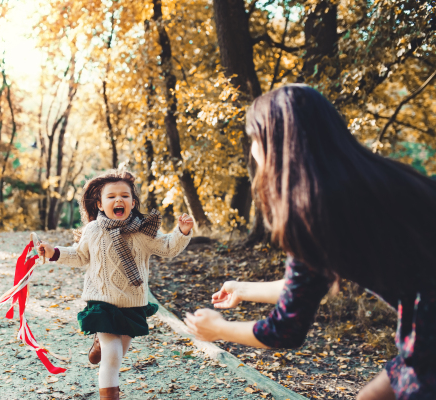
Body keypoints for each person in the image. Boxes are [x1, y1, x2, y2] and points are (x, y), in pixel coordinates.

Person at [184, 84, 436, 400]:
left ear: (273, 144)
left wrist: (218, 329)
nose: (252, 152)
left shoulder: (314, 207)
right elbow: (306, 282)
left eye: (254, 141)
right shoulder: (377, 178)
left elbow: (285, 329)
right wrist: (243, 289)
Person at [38, 169, 193, 400]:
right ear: (100, 204)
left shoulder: (143, 230)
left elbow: (168, 247)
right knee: (112, 357)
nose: (118, 200)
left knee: (118, 354)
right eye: (111, 197)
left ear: (132, 202)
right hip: (102, 301)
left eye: (124, 195)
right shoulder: (93, 230)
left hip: (132, 303)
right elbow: (80, 256)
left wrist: (182, 231)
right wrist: (54, 252)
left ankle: (100, 342)